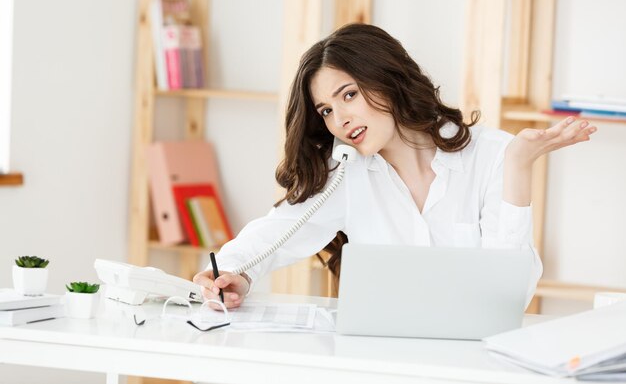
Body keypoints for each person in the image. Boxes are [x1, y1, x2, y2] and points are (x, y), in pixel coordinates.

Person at [193, 23, 596, 309]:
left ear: (387, 79)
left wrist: (519, 169)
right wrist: (234, 273)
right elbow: (277, 230)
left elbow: (511, 297)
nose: (340, 119)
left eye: (349, 94)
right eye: (327, 110)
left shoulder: (493, 155)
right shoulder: (345, 174)